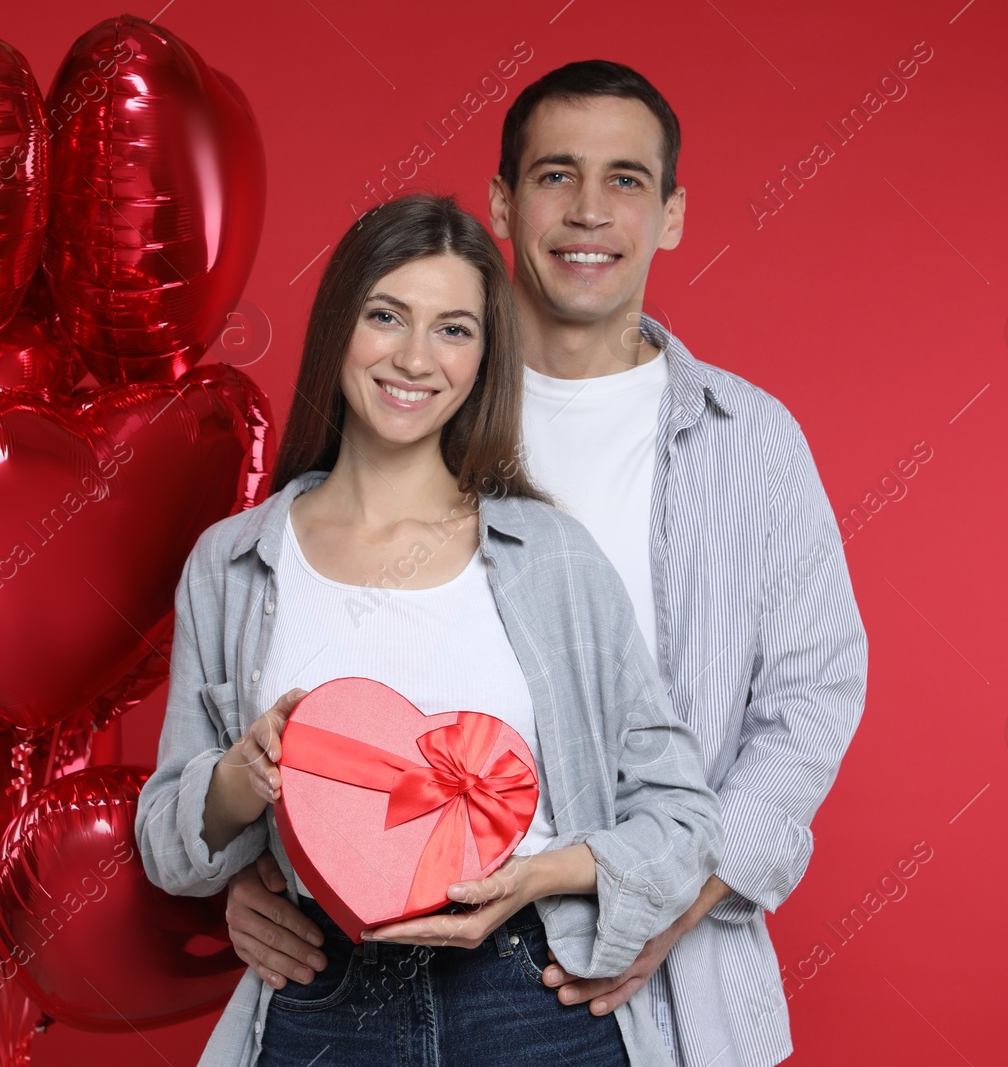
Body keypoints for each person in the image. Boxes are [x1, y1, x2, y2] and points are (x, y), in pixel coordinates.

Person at [221, 61, 870, 1067]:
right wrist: (246, 871)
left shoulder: (750, 443)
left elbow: (812, 696)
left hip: (658, 966)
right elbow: (288, 674)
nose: (588, 211)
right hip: (365, 963)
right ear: (500, 204)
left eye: (625, 181)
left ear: (672, 215)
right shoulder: (410, 400)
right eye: (555, 175)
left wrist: (661, 899)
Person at [135, 192, 723, 1066]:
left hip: (529, 992)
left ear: (485, 356)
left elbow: (683, 814)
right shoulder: (232, 563)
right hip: (319, 991)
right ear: (339, 324)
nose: (415, 358)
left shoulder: (552, 557)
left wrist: (540, 875)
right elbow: (165, 846)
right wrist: (240, 776)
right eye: (386, 316)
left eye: (454, 329)